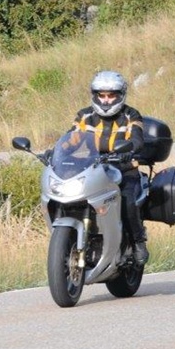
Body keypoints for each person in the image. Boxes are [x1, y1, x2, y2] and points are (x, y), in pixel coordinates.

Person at [69, 70, 148, 265]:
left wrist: (129, 149)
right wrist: (55, 151)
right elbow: (71, 139)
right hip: (92, 170)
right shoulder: (85, 116)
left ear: (120, 96)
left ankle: (138, 242)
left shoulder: (131, 115)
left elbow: (137, 139)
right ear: (95, 95)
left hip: (123, 170)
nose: (106, 100)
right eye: (102, 95)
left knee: (127, 201)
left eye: (111, 95)